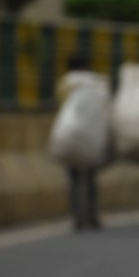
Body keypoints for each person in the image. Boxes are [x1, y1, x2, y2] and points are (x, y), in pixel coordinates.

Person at [50, 51, 111, 231]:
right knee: (91, 177)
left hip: (70, 134)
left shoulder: (65, 83)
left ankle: (78, 217)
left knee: (74, 177)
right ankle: (92, 215)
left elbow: (60, 106)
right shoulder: (98, 82)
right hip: (92, 136)